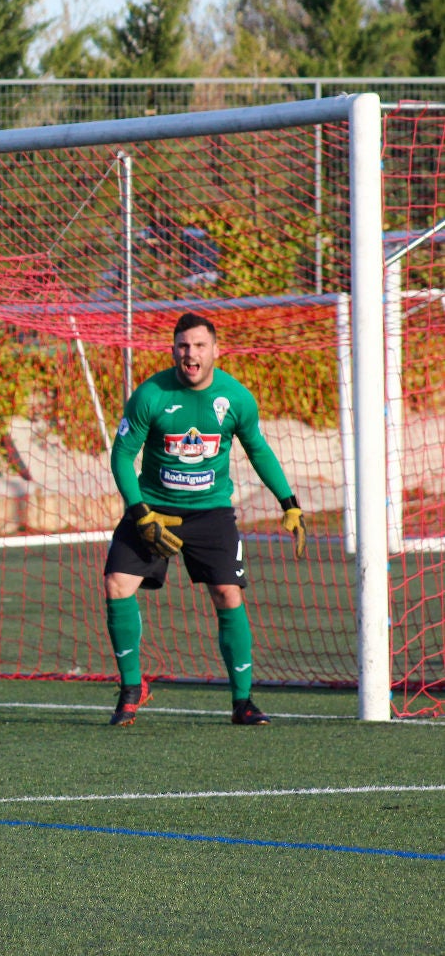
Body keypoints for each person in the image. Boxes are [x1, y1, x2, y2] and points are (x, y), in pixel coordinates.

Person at [102, 312, 306, 727]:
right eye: (183, 345)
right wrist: (140, 513)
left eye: (198, 345)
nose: (190, 354)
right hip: (153, 508)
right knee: (117, 584)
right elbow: (122, 455)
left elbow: (258, 449)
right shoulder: (150, 395)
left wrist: (289, 503)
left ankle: (243, 702)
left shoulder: (236, 398)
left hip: (211, 512)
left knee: (228, 594)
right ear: (173, 350)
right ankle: (131, 688)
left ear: (215, 350)